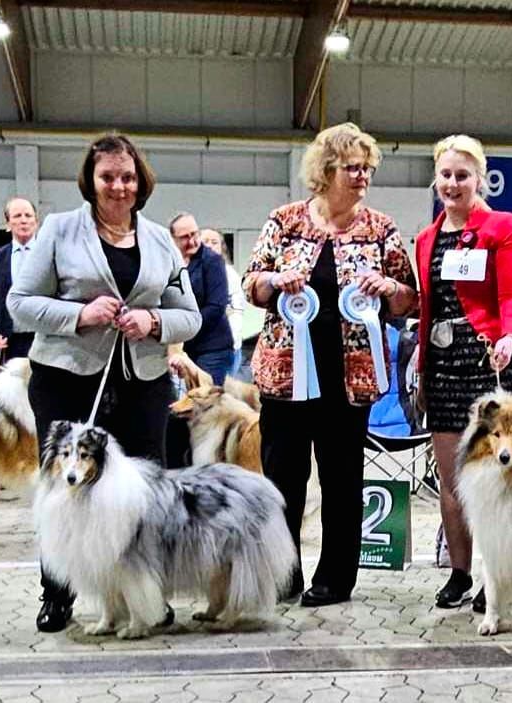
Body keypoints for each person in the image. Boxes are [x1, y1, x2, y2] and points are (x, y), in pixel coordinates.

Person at [8, 134, 201, 632]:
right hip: (66, 380)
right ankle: (58, 595)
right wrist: (80, 314)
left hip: (143, 383)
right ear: (90, 181)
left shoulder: (160, 240)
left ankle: (148, 594)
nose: (119, 186)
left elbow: (191, 316)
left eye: (128, 177)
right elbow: (20, 303)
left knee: (144, 496)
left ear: (141, 181)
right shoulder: (59, 230)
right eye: (108, 177)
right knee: (66, 488)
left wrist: (154, 322)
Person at [243, 122, 417, 608]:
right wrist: (276, 280)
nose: (363, 177)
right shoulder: (285, 221)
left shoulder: (381, 228)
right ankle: (282, 574)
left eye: (368, 169)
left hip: (350, 379)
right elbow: (251, 283)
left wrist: (390, 289)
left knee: (342, 482)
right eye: (353, 168)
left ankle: (336, 579)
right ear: (326, 170)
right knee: (282, 479)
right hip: (285, 376)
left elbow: (410, 299)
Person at [415, 134, 512, 612]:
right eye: (445, 175)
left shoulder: (502, 228)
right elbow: (427, 306)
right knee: (453, 480)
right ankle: (460, 573)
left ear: (479, 179)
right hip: (445, 366)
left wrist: (509, 336)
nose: (452, 183)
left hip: (494, 362)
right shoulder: (426, 239)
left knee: (501, 480)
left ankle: (497, 576)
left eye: (462, 175)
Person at [168, 213, 234, 386]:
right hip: (183, 346)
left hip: (213, 348)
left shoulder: (212, 260)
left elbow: (216, 306)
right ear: (173, 239)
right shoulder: (168, 261)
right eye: (185, 237)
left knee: (207, 398)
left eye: (194, 234)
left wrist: (185, 327)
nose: (192, 241)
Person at [0, 197, 39, 361]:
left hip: (45, 341)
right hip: (9, 343)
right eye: (17, 216)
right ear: (7, 224)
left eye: (28, 215)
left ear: (36, 222)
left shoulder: (51, 254)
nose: (23, 220)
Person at [200, 228, 246, 377]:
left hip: (223, 350)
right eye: (205, 241)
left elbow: (235, 313)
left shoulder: (230, 276)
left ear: (222, 248)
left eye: (214, 242)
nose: (209, 245)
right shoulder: (188, 272)